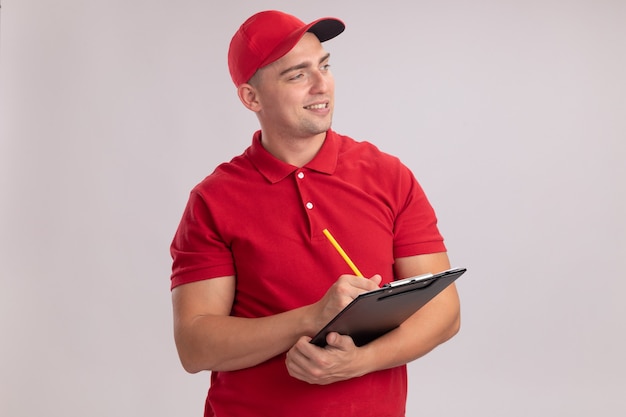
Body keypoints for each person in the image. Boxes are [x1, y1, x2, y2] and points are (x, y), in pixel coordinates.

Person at [170, 10, 461, 417]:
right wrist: (311, 317)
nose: (322, 84)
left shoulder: (388, 175)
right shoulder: (213, 199)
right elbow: (194, 346)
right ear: (251, 97)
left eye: (324, 66)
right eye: (297, 75)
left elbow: (444, 312)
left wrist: (359, 361)